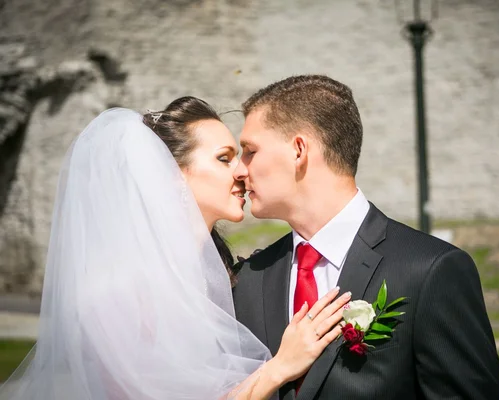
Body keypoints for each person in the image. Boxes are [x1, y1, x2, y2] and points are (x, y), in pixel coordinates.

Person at [0, 97, 350, 400]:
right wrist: (280, 368)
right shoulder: (119, 295)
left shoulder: (228, 276)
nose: (243, 172)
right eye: (224, 158)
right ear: (171, 174)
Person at [232, 76, 499, 399]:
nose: (239, 169)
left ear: (298, 150)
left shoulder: (429, 271)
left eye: (249, 151)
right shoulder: (248, 280)